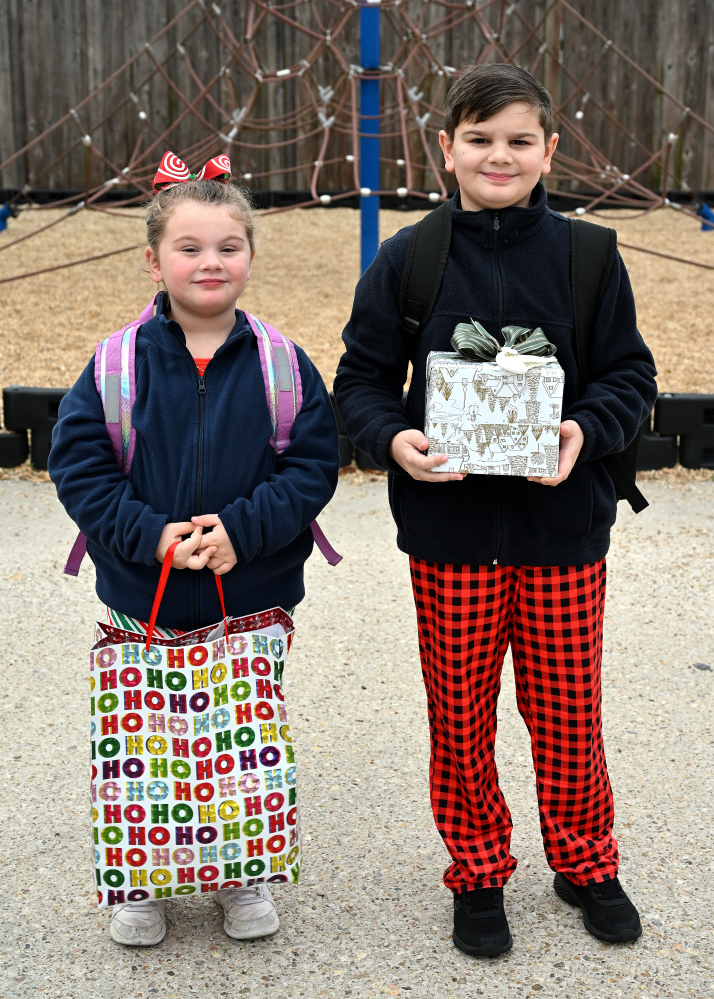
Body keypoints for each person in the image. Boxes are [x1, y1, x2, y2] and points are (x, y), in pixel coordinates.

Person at [334, 64, 657, 956]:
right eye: (479, 139)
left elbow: (631, 374)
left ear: (549, 150)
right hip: (451, 537)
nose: (498, 156)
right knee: (460, 717)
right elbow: (361, 380)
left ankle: (585, 861)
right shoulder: (409, 259)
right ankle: (478, 870)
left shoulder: (590, 256)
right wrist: (393, 439)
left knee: (568, 715)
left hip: (563, 533)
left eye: (519, 140)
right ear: (447, 149)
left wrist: (586, 428)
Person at [49, 159, 340, 946]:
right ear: (154, 261)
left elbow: (312, 467)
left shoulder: (283, 365)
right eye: (189, 247)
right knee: (145, 745)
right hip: (139, 592)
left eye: (228, 246)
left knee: (240, 741)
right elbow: (78, 466)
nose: (210, 261)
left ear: (250, 255)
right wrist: (151, 534)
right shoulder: (116, 364)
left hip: (252, 592)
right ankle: (142, 879)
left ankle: (241, 871)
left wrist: (241, 531)